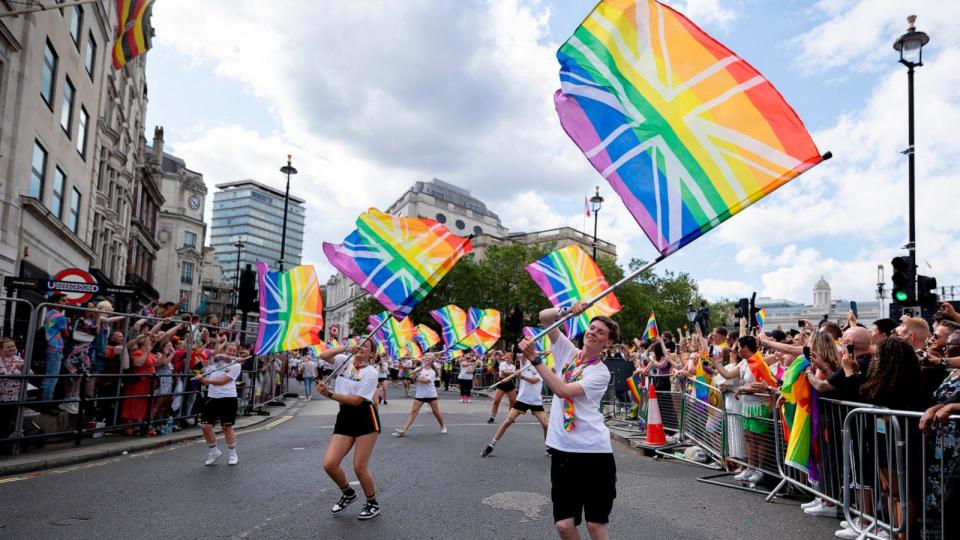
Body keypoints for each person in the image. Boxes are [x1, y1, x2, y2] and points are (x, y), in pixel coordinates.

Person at [518, 302, 616, 540]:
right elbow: (544, 318)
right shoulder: (567, 352)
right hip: (563, 451)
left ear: (608, 343)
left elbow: (562, 390)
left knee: (595, 526)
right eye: (592, 328)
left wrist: (536, 360)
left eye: (600, 332)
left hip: (595, 454)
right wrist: (566, 310)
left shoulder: (600, 372)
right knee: (563, 525)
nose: (593, 333)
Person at [316, 341, 382, 521]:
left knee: (359, 467)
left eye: (366, 346)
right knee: (330, 463)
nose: (360, 347)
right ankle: (348, 493)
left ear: (372, 354)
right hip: (344, 416)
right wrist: (345, 348)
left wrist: (328, 394)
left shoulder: (371, 373)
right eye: (359, 343)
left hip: (365, 418)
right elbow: (324, 356)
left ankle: (372, 502)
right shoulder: (344, 361)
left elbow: (356, 401)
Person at [482, 356, 548, 457]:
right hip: (522, 399)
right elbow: (524, 353)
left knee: (545, 425)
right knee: (507, 421)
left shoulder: (542, 368)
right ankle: (491, 445)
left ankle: (548, 448)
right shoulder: (525, 363)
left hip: (535, 401)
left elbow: (534, 381)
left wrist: (520, 376)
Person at [195, 346, 242, 465]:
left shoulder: (236, 365)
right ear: (223, 350)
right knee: (205, 426)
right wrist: (202, 376)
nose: (231, 352)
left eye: (234, 351)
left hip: (228, 398)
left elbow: (223, 382)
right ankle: (214, 451)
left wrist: (205, 381)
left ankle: (232, 454)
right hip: (213, 398)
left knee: (227, 427)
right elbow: (201, 352)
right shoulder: (213, 362)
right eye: (229, 350)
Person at [394, 355, 446, 437]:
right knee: (413, 412)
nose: (427, 358)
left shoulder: (432, 371)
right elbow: (411, 378)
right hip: (420, 394)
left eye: (429, 358)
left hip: (430, 394)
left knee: (436, 412)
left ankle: (443, 426)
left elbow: (426, 381)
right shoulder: (419, 368)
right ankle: (403, 430)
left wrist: (416, 377)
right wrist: (413, 374)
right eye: (426, 357)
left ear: (432, 360)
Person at [41, 294, 70, 403]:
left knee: (48, 377)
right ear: (55, 302)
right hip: (56, 348)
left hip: (49, 346)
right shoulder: (60, 316)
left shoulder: (49, 314)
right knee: (52, 378)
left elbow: (47, 327)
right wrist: (66, 323)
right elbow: (66, 334)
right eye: (63, 300)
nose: (66, 303)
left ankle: (43, 400)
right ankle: (46, 403)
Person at [487, 352, 518, 424]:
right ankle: (492, 417)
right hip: (502, 383)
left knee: (513, 401)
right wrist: (513, 373)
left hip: (510, 383)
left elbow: (511, 375)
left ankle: (511, 417)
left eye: (508, 356)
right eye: (505, 356)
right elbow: (504, 372)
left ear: (511, 357)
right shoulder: (502, 364)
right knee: (496, 401)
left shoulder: (513, 366)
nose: (506, 357)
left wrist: (511, 373)